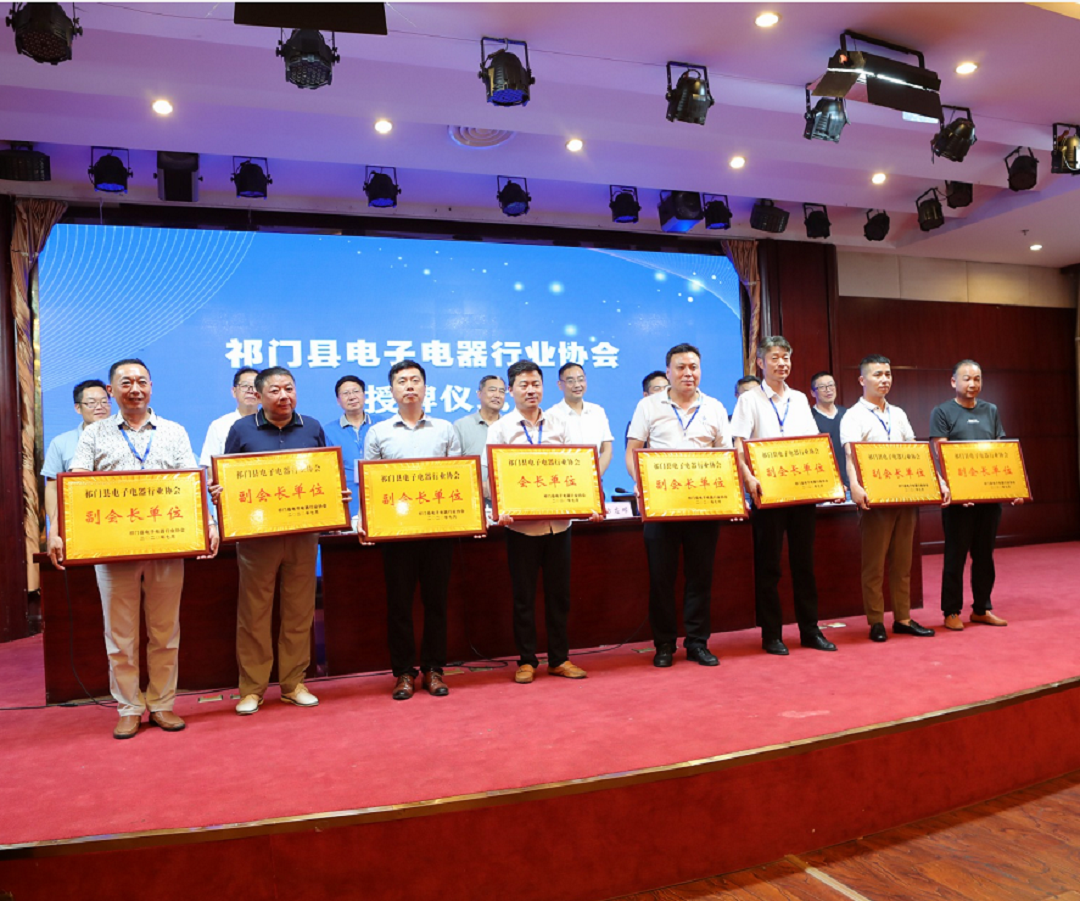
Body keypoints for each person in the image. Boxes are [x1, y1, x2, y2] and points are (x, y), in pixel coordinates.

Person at [47, 359, 219, 740]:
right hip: (114, 550)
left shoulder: (173, 431)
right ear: (112, 391)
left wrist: (208, 523)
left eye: (142, 381)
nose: (135, 389)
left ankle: (162, 703)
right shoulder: (94, 434)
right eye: (126, 383)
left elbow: (190, 483)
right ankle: (128, 707)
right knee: (119, 636)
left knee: (165, 632)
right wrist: (57, 530)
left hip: (166, 545)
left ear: (151, 386)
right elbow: (76, 485)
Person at [220, 366, 339, 715]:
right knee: (254, 613)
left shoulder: (312, 427)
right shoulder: (241, 429)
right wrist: (220, 492)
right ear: (258, 395)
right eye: (275, 390)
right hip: (258, 538)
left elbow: (325, 475)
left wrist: (336, 497)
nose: (284, 396)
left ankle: (293, 684)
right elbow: (228, 477)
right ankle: (252, 689)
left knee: (299, 611)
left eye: (289, 388)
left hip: (303, 534)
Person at [484, 360, 599, 684]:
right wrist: (500, 506)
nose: (531, 390)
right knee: (523, 598)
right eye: (523, 385)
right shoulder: (501, 428)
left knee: (559, 596)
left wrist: (588, 502)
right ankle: (526, 661)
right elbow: (491, 475)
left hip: (559, 526)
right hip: (520, 528)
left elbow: (578, 466)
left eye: (536, 384)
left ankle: (559, 659)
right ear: (511, 390)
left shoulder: (561, 424)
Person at [626, 343, 731, 668]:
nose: (688, 373)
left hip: (703, 505)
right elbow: (633, 450)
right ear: (668, 371)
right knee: (661, 578)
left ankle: (698, 643)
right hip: (662, 505)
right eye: (681, 367)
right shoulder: (649, 406)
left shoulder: (714, 407)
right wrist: (641, 484)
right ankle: (664, 645)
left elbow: (725, 454)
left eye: (694, 367)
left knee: (700, 577)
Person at [731, 336, 837, 656]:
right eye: (775, 357)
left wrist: (829, 481)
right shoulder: (749, 400)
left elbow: (813, 444)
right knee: (769, 567)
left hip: (801, 491)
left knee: (804, 564)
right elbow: (738, 444)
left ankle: (810, 630)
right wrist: (748, 477)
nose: (782, 363)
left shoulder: (800, 398)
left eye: (786, 357)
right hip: (767, 494)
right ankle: (771, 634)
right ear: (761, 363)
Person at [364, 361, 462, 700]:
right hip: (397, 534)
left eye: (415, 380)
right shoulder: (378, 432)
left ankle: (434, 669)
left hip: (438, 531)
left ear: (425, 387)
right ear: (391, 390)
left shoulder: (445, 429)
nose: (409, 386)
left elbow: (457, 478)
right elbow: (370, 485)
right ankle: (404, 672)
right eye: (402, 381)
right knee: (399, 605)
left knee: (436, 603)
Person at [840, 355, 944, 642]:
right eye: (877, 374)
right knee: (874, 565)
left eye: (887, 374)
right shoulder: (853, 415)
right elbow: (850, 455)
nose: (884, 379)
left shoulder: (898, 413)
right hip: (875, 498)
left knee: (903, 562)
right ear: (862, 380)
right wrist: (854, 486)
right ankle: (875, 621)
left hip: (905, 495)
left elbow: (914, 450)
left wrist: (937, 479)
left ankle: (903, 618)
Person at [930, 359, 1022, 631]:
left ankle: (982, 608)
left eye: (977, 379)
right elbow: (940, 453)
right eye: (967, 378)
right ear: (953, 381)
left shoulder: (991, 410)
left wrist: (1012, 487)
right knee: (955, 555)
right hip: (959, 500)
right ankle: (951, 611)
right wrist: (958, 490)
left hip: (988, 497)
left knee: (985, 555)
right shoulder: (942, 412)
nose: (973, 384)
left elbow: (1000, 451)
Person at [41, 379, 111, 531]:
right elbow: (52, 489)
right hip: (79, 522)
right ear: (78, 408)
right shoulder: (60, 442)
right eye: (91, 403)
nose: (100, 407)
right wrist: (57, 527)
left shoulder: (124, 438)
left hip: (117, 517)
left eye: (105, 402)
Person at [548, 363, 614, 476]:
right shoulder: (551, 416)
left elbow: (607, 449)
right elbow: (552, 455)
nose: (577, 385)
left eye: (581, 379)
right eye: (570, 381)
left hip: (595, 480)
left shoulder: (597, 411)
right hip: (565, 480)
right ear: (560, 385)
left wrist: (594, 476)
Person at [328, 375, 379, 520]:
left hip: (380, 495)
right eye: (345, 393)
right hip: (347, 501)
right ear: (338, 401)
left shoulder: (382, 425)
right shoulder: (328, 431)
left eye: (356, 391)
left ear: (364, 395)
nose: (352, 397)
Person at [199, 368, 259, 467]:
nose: (250, 391)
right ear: (234, 391)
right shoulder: (219, 425)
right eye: (245, 386)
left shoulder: (271, 424)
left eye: (256, 386)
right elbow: (210, 465)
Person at [810, 370, 849, 487]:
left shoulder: (847, 414)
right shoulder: (809, 418)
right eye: (822, 387)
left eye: (831, 385)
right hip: (825, 483)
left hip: (850, 480)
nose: (828, 390)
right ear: (813, 393)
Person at [453, 374, 507, 457]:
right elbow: (454, 461)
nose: (497, 395)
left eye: (501, 391)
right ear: (479, 394)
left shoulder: (510, 426)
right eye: (492, 390)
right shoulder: (461, 426)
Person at [624, 371, 669, 449]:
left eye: (666, 388)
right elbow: (633, 453)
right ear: (646, 395)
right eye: (657, 389)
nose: (663, 392)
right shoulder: (637, 424)